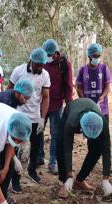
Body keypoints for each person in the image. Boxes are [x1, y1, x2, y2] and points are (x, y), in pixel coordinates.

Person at [8, 48, 50, 190]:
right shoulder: (19, 71)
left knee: (36, 148)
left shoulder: (45, 75)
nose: (40, 67)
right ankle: (15, 178)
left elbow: (45, 97)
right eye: (37, 64)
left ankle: (32, 171)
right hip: (19, 117)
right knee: (17, 149)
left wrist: (42, 119)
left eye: (42, 65)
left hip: (35, 117)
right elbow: (9, 91)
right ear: (31, 60)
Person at [56, 98, 112, 198]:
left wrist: (106, 179)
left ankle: (79, 180)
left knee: (97, 149)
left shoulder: (102, 123)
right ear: (81, 129)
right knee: (60, 146)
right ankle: (65, 182)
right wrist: (69, 175)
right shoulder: (71, 122)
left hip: (92, 111)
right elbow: (67, 149)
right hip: (72, 109)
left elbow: (106, 150)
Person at [39, 39, 74, 174]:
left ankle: (53, 161)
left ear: (56, 53)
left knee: (55, 133)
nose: (47, 57)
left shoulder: (65, 64)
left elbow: (68, 85)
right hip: (42, 103)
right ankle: (39, 156)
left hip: (56, 103)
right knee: (39, 130)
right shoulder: (42, 62)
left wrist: (69, 104)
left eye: (49, 54)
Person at [76, 43, 112, 118]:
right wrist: (84, 100)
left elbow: (108, 87)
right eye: (95, 56)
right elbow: (79, 88)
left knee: (103, 128)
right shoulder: (83, 70)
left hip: (102, 108)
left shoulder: (104, 69)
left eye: (99, 56)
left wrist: (102, 96)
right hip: (87, 108)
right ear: (89, 56)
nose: (97, 58)